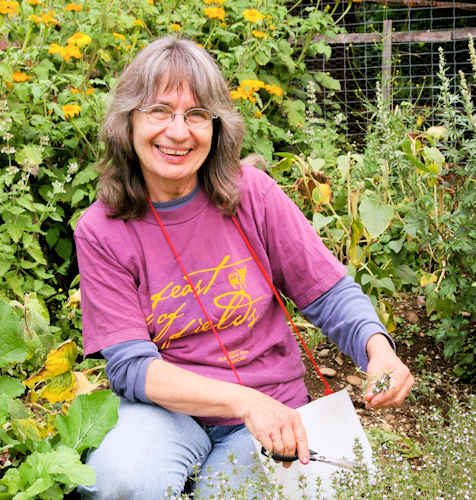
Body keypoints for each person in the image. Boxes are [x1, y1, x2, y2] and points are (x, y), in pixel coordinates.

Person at [75, 36, 414, 500]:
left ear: (216, 126)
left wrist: (379, 351)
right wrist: (242, 400)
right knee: (122, 480)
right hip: (163, 414)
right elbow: (133, 368)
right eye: (159, 110)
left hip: (272, 411)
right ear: (127, 121)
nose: (178, 132)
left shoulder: (250, 194)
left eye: (196, 114)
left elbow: (329, 293)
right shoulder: (102, 229)